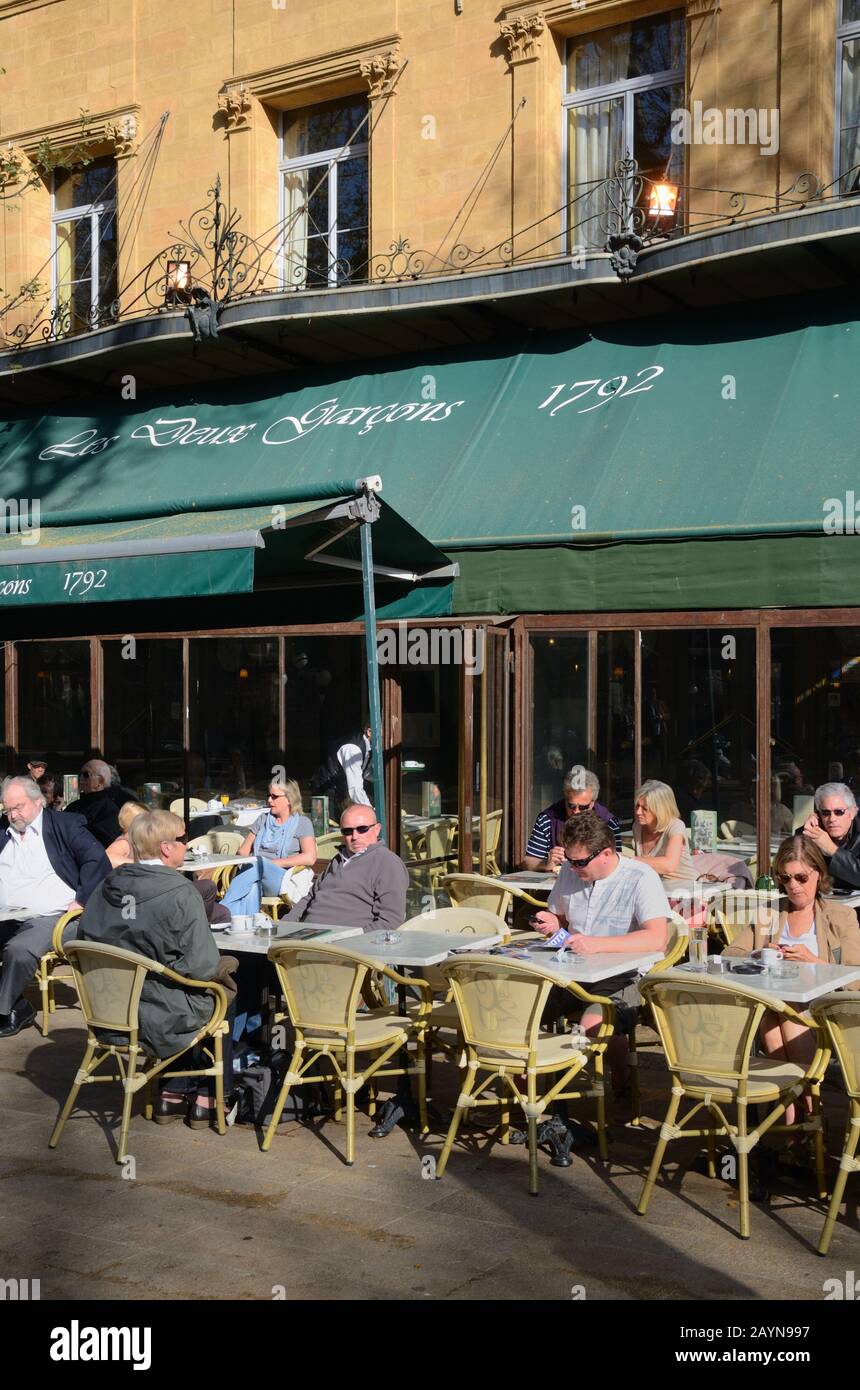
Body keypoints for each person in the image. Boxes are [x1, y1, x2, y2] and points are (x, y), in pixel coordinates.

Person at [78, 810, 237, 1128]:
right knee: (222, 989)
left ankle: (171, 1093)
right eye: (183, 840)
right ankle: (212, 1096)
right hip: (158, 1016)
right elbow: (202, 966)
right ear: (166, 848)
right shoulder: (181, 892)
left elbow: (83, 939)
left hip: (108, 1013)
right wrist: (227, 963)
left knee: (187, 984)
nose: (187, 846)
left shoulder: (107, 884)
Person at [531, 810, 669, 1102]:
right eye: (569, 860)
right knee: (517, 1012)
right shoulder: (570, 872)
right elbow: (560, 918)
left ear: (606, 853)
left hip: (626, 974)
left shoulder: (640, 877)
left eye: (580, 861)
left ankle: (620, 1083)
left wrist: (597, 944)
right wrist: (551, 922)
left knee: (592, 1026)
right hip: (570, 969)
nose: (572, 867)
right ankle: (522, 1102)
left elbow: (657, 938)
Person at [725, 836, 860, 1126]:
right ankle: (803, 1120)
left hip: (824, 1011)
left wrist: (815, 962)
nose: (794, 886)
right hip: (775, 1007)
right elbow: (730, 954)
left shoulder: (840, 915)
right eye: (785, 878)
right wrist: (758, 953)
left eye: (801, 877)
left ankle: (797, 1119)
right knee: (775, 1019)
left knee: (782, 1017)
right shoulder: (772, 913)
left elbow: (855, 975)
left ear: (819, 875)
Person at [0, 776, 110, 1038]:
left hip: (53, 915)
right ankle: (18, 1006)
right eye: (7, 809)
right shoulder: (3, 831)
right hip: (6, 914)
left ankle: (3, 1012)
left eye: (18, 807)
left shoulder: (64, 825)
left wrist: (82, 899)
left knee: (20, 950)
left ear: (38, 801)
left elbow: (96, 859)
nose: (13, 815)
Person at [285, 801, 408, 934]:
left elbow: (390, 921)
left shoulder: (387, 863)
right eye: (348, 831)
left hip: (343, 945)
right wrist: (284, 925)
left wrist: (350, 939)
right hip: (306, 936)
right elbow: (310, 897)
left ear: (377, 829)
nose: (355, 836)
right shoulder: (338, 859)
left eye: (362, 829)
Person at [222, 777, 316, 917]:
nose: (269, 800)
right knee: (253, 888)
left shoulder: (302, 822)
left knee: (259, 863)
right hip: (255, 875)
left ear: (289, 799)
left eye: (274, 796)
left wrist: (274, 863)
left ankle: (221, 909)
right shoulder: (263, 819)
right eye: (269, 795)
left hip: (282, 878)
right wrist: (246, 863)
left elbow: (310, 857)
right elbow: (243, 851)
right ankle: (247, 926)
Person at [522, 765, 622, 871]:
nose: (576, 811)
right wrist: (546, 864)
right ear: (565, 799)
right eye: (571, 806)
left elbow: (618, 861)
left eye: (583, 807)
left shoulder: (608, 822)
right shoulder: (547, 819)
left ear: (593, 802)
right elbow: (529, 861)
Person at [631, 779, 695, 883]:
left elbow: (669, 865)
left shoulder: (675, 826)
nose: (638, 812)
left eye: (645, 808)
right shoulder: (637, 827)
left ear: (660, 809)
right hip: (656, 887)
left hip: (685, 888)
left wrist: (631, 861)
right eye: (637, 806)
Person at [64, 758, 135, 848]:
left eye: (86, 775)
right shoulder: (75, 805)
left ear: (100, 781)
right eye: (80, 774)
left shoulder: (110, 809)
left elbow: (104, 839)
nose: (81, 778)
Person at [802, 781, 860, 891]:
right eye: (825, 813)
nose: (832, 819)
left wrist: (832, 850)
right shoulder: (815, 831)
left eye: (839, 812)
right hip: (823, 902)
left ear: (853, 812)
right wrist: (805, 832)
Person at [312, 726, 373, 808]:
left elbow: (367, 774)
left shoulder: (369, 748)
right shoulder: (353, 749)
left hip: (341, 791)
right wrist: (370, 810)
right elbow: (355, 789)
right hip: (327, 792)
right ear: (369, 732)